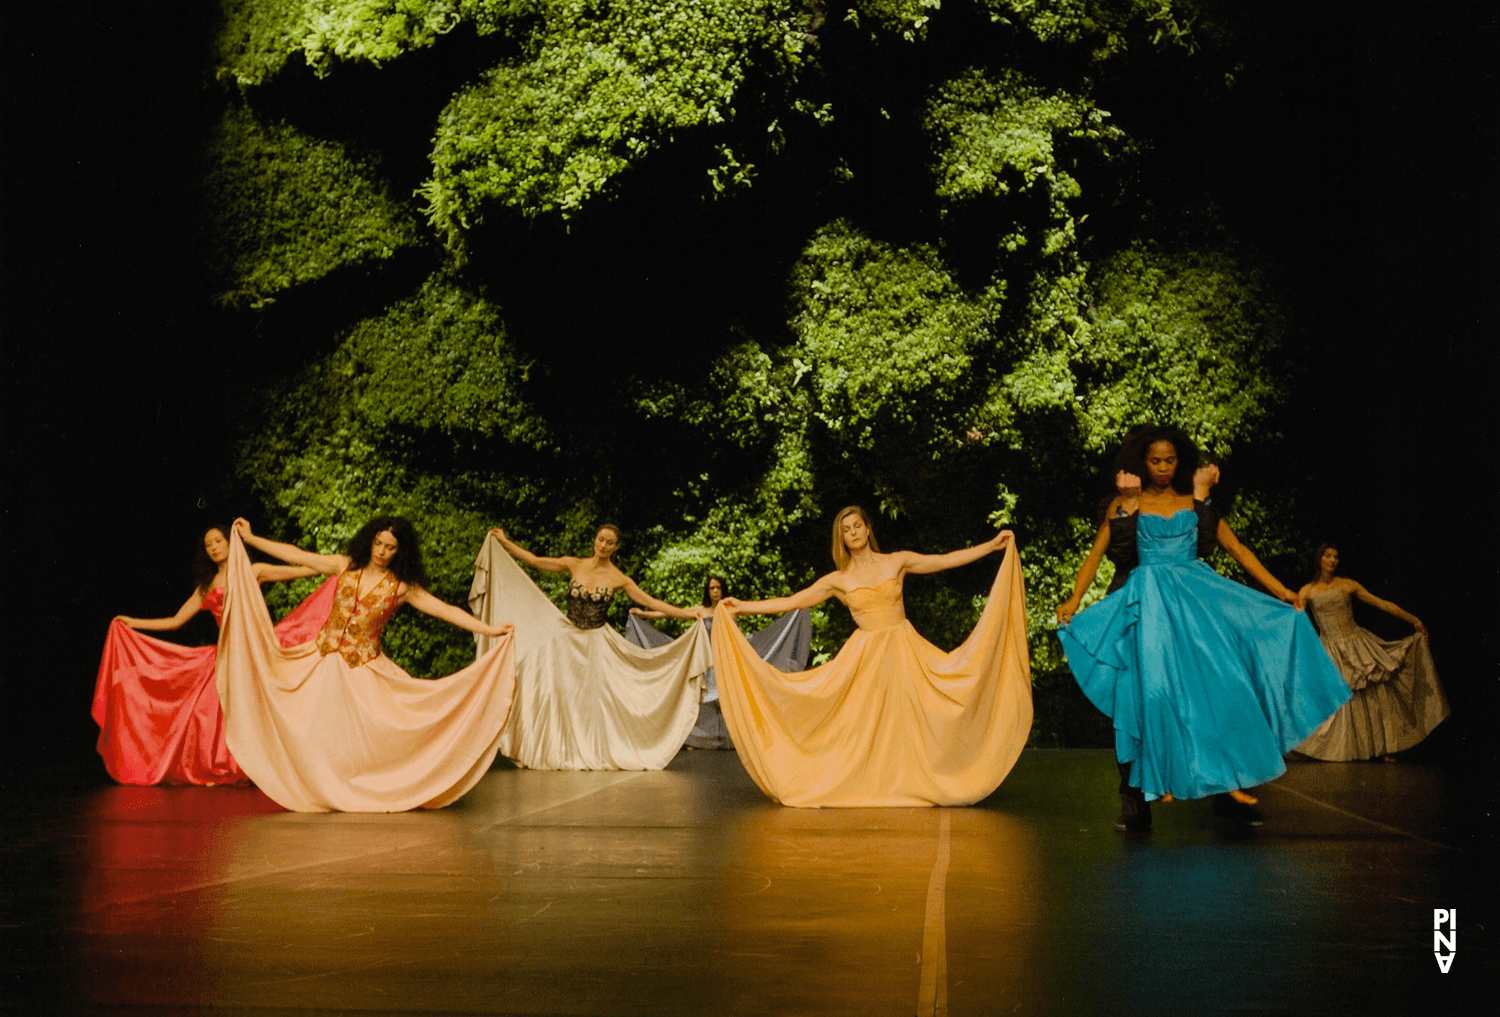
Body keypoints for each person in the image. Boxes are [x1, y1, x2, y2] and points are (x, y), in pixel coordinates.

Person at [1056, 426, 1350, 821]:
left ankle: (1228, 782)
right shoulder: (1128, 502)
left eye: (1170, 460)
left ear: (1180, 462)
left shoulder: (1193, 504)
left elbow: (1238, 550)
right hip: (1151, 602)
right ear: (1142, 461)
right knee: (1153, 694)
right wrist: (1075, 598)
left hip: (1196, 599)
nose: (1162, 467)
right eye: (1154, 460)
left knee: (1224, 685)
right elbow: (1096, 555)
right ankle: (1152, 785)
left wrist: (1283, 591)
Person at [712, 506, 1031, 808]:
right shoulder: (838, 580)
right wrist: (743, 606)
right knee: (859, 725)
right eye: (846, 529)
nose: (853, 532)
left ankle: (920, 780)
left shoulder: (896, 561)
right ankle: (860, 781)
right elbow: (794, 600)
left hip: (903, 649)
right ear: (842, 538)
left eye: (857, 526)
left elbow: (944, 560)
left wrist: (990, 546)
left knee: (920, 714)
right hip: (866, 658)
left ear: (867, 529)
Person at [216, 517, 516, 812]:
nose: (381, 552)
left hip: (363, 670)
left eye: (390, 547)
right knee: (313, 731)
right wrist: (252, 539)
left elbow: (444, 610)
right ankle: (322, 790)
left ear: (401, 551)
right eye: (378, 543)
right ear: (370, 541)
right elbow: (296, 555)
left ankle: (365, 789)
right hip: (321, 663)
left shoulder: (401, 587)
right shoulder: (345, 565)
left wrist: (488, 629)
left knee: (378, 735)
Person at [92, 525, 334, 786]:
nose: (215, 547)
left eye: (219, 540)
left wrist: (333, 567)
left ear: (230, 543)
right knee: (215, 712)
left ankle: (273, 763)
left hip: (256, 650)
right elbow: (176, 621)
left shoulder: (253, 571)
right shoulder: (206, 586)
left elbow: (299, 571)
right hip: (228, 656)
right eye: (209, 544)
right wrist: (133, 622)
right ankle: (233, 765)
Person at [468, 524, 712, 770]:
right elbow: (535, 561)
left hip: (596, 643)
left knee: (595, 700)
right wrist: (505, 542)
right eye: (600, 540)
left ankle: (595, 748)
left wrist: (686, 615)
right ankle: (558, 749)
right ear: (595, 540)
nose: (603, 546)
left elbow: (650, 601)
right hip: (567, 638)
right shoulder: (575, 564)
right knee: (558, 694)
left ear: (615, 547)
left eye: (609, 542)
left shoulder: (619, 578)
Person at [1294, 544, 1449, 761]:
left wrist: (1413, 619)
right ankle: (1329, 748)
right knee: (1338, 702)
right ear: (1319, 560)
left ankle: (1385, 748)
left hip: (1355, 642)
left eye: (1336, 557)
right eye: (1328, 556)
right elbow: (1295, 620)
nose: (1332, 560)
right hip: (1329, 648)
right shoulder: (1307, 591)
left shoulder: (1347, 585)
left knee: (1373, 695)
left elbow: (1381, 604)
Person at [628, 575, 812, 750]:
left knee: (732, 698)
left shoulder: (731, 608)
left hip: (730, 660)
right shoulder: (701, 610)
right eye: (711, 588)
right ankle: (698, 740)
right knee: (703, 701)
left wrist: (794, 605)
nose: (715, 591)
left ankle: (740, 738)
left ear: (723, 589)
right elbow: (672, 613)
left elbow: (765, 609)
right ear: (707, 591)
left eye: (718, 587)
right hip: (708, 661)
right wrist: (645, 614)